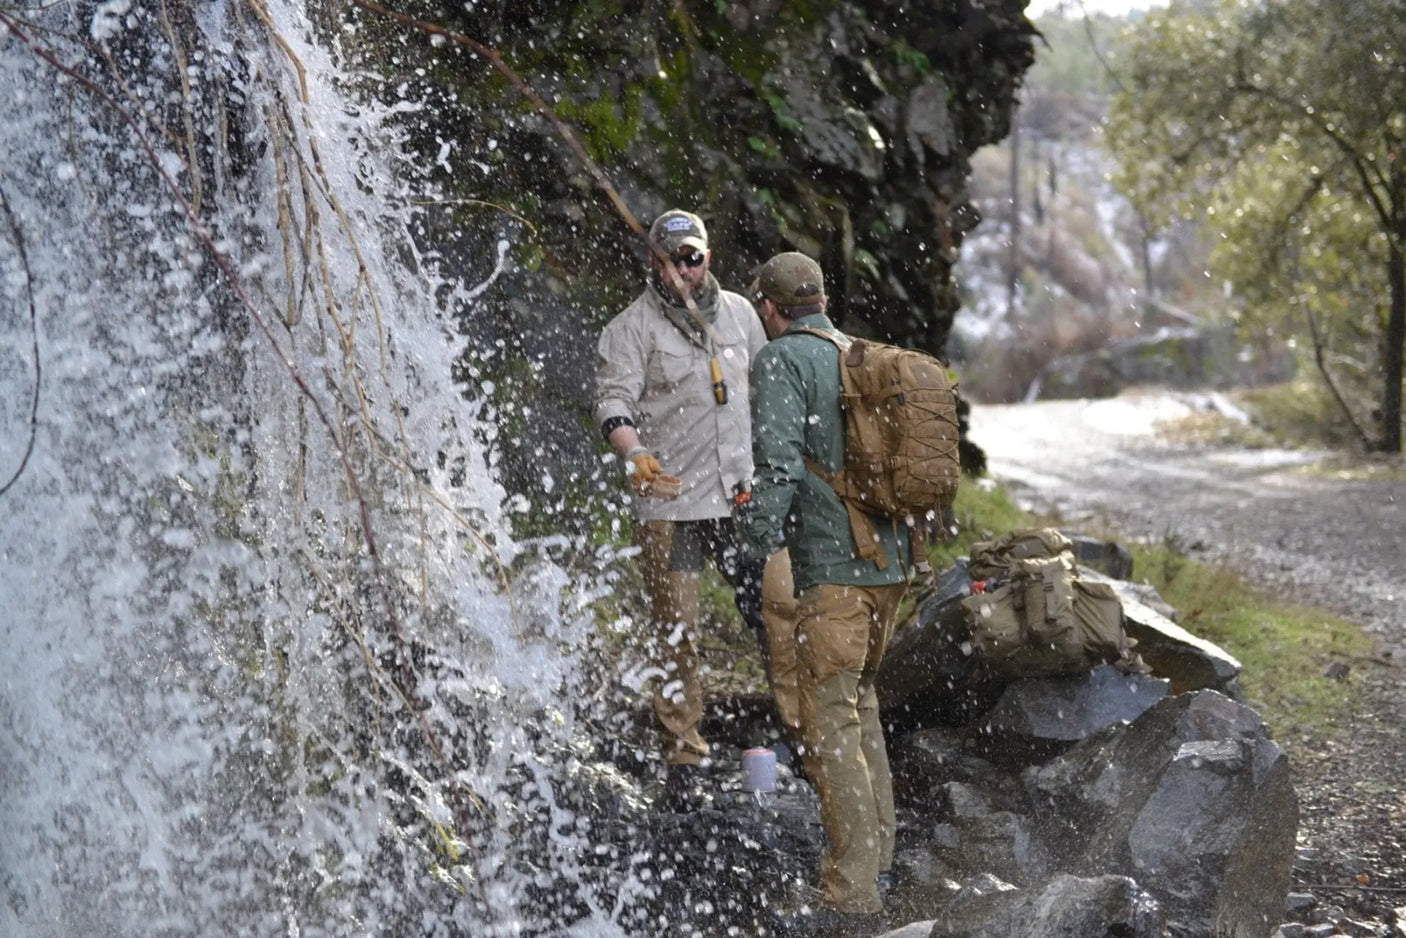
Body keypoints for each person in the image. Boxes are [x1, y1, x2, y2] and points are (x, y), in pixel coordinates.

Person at [593, 209, 800, 808]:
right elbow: (613, 401)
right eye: (675, 258)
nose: (687, 269)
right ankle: (684, 755)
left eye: (696, 257)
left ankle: (804, 737)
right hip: (675, 502)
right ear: (655, 262)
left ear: (707, 256)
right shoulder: (629, 329)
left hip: (743, 499)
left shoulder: (739, 314)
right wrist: (634, 454)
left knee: (777, 613)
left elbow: (770, 387)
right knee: (676, 629)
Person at [738, 251, 911, 928]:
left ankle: (850, 892)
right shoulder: (862, 353)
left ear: (770, 308)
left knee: (828, 718)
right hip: (889, 567)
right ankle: (882, 863)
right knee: (859, 705)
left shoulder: (781, 361)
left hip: (833, 571)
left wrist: (752, 539)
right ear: (821, 300)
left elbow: (778, 464)